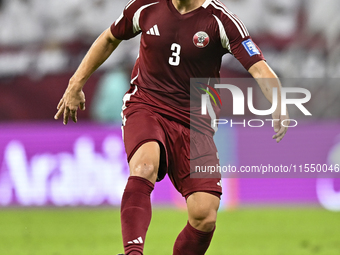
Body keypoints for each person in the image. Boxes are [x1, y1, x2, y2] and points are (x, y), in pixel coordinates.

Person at [54, 0, 289, 254]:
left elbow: (259, 67)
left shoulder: (220, 20)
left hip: (195, 124)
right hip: (146, 105)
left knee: (205, 215)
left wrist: (278, 102)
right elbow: (110, 37)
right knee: (144, 166)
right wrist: (75, 83)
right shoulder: (146, 6)